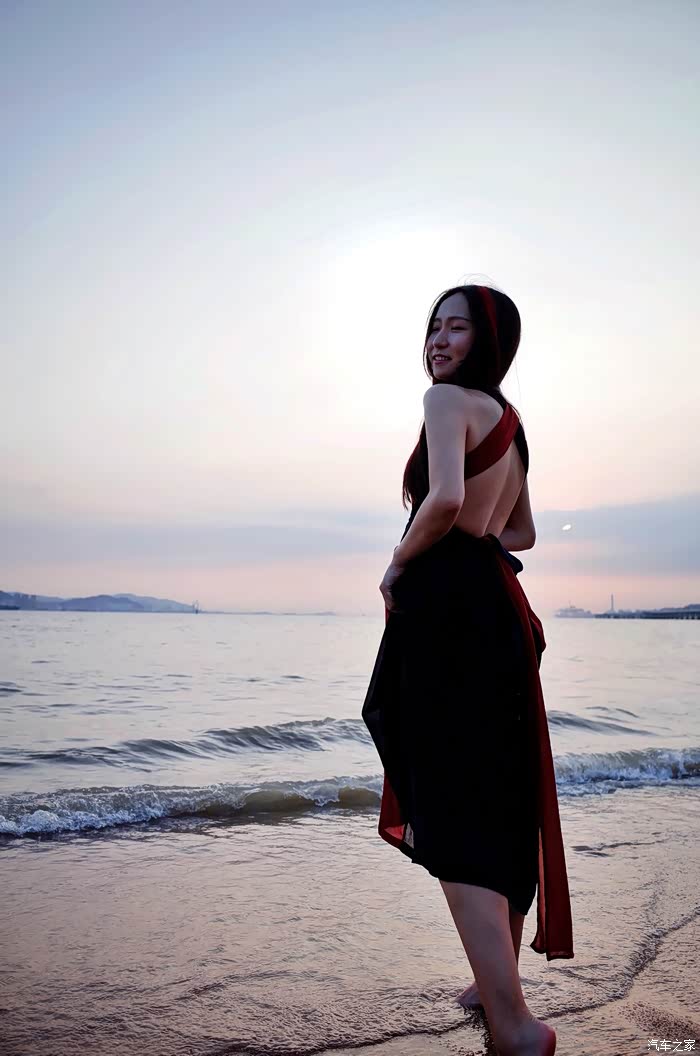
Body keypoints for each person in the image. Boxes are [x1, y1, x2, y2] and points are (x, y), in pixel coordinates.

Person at [361, 283, 573, 1056]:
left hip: (450, 611)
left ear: (489, 341)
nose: (440, 340)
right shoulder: (508, 422)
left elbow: (447, 499)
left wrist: (398, 561)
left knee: (451, 804)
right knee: (496, 795)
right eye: (434, 326)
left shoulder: (445, 401)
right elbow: (522, 530)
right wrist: (474, 542)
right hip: (500, 613)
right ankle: (495, 986)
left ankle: (514, 1025)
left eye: (457, 327)